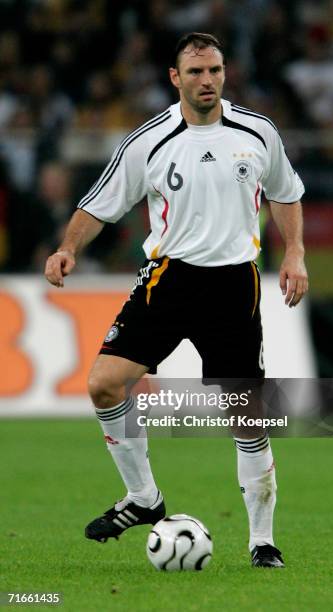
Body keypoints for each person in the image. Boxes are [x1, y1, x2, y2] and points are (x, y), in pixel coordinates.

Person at [45, 32, 308, 569]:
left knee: (247, 416)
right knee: (102, 383)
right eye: (195, 72)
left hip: (235, 284)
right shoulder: (148, 140)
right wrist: (67, 247)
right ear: (175, 78)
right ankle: (144, 499)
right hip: (168, 280)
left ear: (224, 72)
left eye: (214, 70)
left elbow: (287, 192)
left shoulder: (258, 133)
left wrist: (296, 254)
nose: (207, 80)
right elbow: (101, 203)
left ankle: (262, 542)